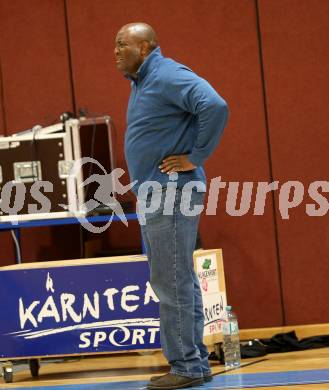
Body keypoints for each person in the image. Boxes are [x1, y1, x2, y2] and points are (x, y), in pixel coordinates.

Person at [114, 23, 228, 390]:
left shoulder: (165, 74)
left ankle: (187, 366)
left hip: (171, 192)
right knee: (179, 279)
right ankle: (193, 361)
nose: (115, 52)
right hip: (158, 194)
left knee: (171, 281)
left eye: (122, 45)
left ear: (145, 47)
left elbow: (214, 104)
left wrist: (195, 156)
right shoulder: (144, 81)